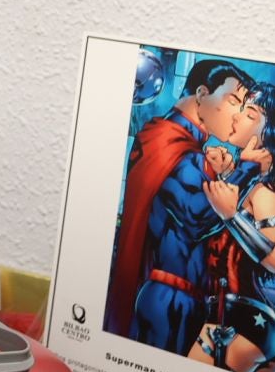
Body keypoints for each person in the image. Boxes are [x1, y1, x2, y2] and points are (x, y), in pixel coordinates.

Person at [104, 58, 265, 352]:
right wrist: (246, 168)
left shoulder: (173, 143)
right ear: (202, 94)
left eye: (242, 108)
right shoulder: (175, 147)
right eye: (232, 101)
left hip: (174, 293)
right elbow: (199, 216)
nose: (236, 116)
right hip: (170, 295)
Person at [187, 83, 275, 372]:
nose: (236, 117)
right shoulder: (260, 182)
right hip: (250, 322)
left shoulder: (268, 192)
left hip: (241, 323)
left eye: (249, 114)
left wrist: (232, 216)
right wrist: (229, 175)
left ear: (271, 134)